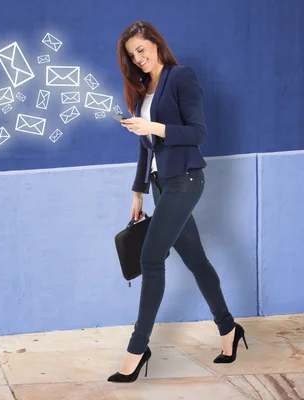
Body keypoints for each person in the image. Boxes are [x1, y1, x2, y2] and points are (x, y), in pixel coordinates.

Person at [107, 20, 248, 383]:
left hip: (185, 179)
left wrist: (152, 127)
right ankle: (229, 328)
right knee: (197, 261)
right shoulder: (141, 92)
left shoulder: (181, 77)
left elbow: (198, 133)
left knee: (151, 258)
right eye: (131, 55)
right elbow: (145, 149)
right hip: (159, 184)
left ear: (155, 43)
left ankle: (137, 349)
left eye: (141, 50)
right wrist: (137, 191)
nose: (138, 59)